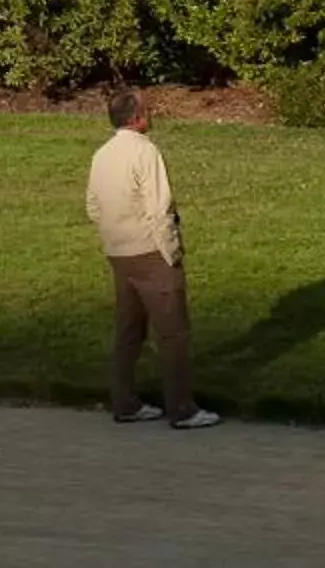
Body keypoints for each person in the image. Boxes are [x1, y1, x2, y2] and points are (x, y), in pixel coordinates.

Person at [86, 87, 216, 428]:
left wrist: (114, 235)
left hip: (118, 252)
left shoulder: (102, 154)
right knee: (173, 333)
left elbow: (93, 206)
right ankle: (182, 409)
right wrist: (171, 251)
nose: (152, 113)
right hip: (150, 253)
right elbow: (159, 208)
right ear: (136, 117)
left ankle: (124, 402)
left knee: (129, 330)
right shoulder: (146, 152)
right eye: (147, 109)